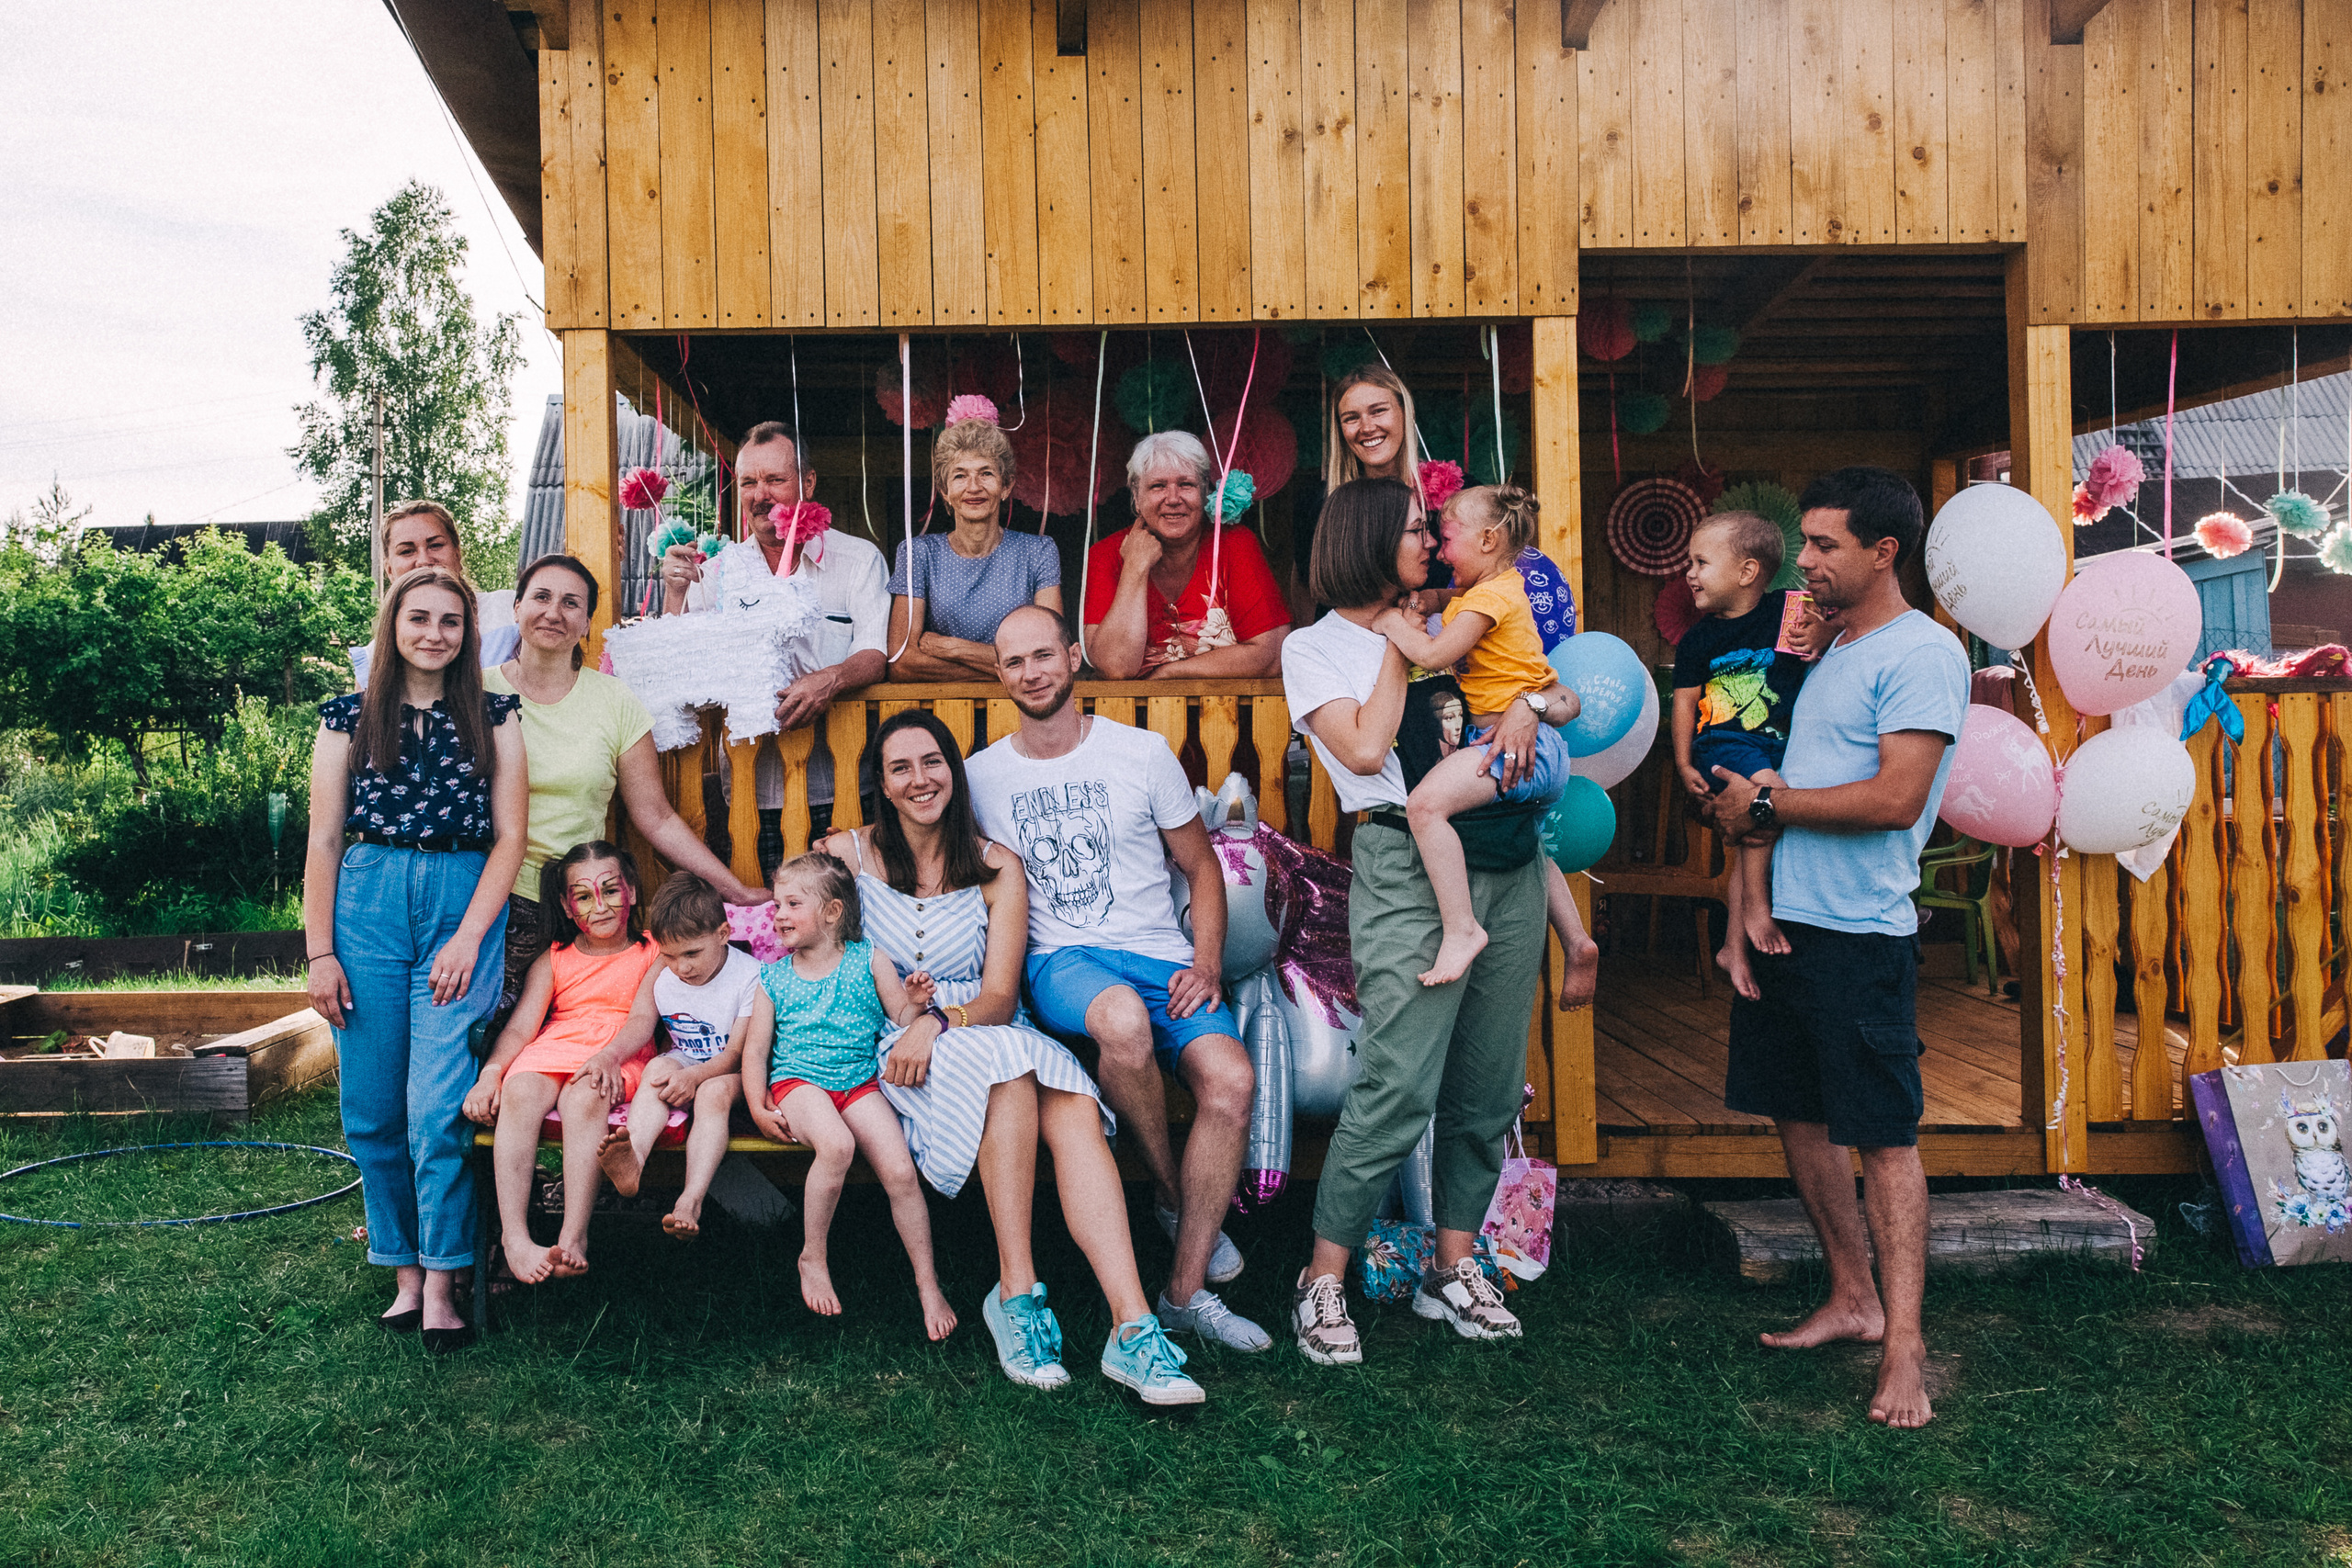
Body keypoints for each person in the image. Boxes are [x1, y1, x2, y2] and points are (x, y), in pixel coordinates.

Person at [820, 710, 1199, 1403]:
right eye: (900, 767)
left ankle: (1133, 1326)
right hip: (903, 1046)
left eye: (932, 762)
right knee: (1012, 1077)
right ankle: (1017, 1293)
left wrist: (942, 1018)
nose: (919, 779)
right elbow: (809, 945)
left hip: (977, 1024)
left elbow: (998, 994)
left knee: (1076, 1108)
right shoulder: (849, 857)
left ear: (953, 771)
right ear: (880, 781)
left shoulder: (995, 864)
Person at [1702, 466, 1969, 1431]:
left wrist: (1765, 803)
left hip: (1860, 936)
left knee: (1882, 1139)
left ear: (1882, 553)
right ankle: (1851, 1298)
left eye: (1822, 546)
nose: (1802, 560)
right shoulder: (1829, 644)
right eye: (1804, 543)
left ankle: (1904, 1346)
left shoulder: (1922, 653)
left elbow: (1896, 798)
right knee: (1797, 1116)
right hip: (1787, 928)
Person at [1279, 479, 1568, 1365]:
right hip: (1405, 859)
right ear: (1366, 543)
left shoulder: (1466, 615)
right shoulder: (1315, 646)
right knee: (1399, 1080)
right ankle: (1321, 1276)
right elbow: (1365, 749)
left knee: (1486, 1085)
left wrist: (1529, 703)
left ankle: (1454, 1262)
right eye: (1413, 530)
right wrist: (1399, 645)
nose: (1430, 544)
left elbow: (1559, 692)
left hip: (1504, 859)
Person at [969, 604, 1272, 1359]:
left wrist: (1204, 963)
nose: (1031, 672)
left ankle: (1182, 1293)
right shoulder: (982, 776)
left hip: (1163, 955)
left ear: (1074, 656)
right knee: (1124, 1024)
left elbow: (1202, 869)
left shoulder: (1140, 753)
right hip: (1062, 960)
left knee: (1231, 1081)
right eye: (1014, 663)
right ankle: (1170, 1196)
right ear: (1000, 675)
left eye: (1044, 655)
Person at [304, 566, 526, 1352]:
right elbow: (325, 839)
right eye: (419, 618)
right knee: (371, 1106)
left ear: (469, 635)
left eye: (452, 622)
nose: (435, 633)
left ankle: (444, 1277)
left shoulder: (494, 714)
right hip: (366, 904)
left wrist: (469, 935)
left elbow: (510, 837)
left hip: (458, 901)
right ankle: (400, 1267)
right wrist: (320, 949)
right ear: (393, 625)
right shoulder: (347, 717)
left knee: (438, 1106)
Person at [484, 553, 767, 1012]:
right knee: (483, 1034)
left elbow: (655, 816)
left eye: (571, 603)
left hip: (579, 907)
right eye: (541, 597)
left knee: (567, 1037)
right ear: (516, 608)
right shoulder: (477, 691)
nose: (554, 611)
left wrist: (733, 889)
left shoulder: (614, 700)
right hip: (488, 898)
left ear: (587, 623)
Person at [1369, 484, 1591, 992]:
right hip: (1537, 748)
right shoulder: (1501, 587)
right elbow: (1458, 600)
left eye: (1447, 538)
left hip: (1511, 745)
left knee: (1425, 807)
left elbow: (1434, 655)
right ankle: (1576, 939)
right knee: (1535, 843)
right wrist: (1433, 597)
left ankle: (1462, 929)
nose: (1441, 552)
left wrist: (1391, 624)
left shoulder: (1489, 598)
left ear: (1489, 540)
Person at [741, 852, 957, 1341]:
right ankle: (812, 1255)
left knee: (901, 1172)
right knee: (837, 1146)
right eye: (777, 905)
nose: (778, 915)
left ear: (833, 912)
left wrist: (919, 1003)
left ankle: (928, 1284)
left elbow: (901, 1019)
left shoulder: (868, 959)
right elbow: (755, 1052)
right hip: (798, 1082)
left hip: (858, 1082)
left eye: (792, 904)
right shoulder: (773, 978)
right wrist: (757, 1105)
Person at [659, 421, 888, 862]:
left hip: (844, 784)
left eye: (775, 480)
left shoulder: (858, 560)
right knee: (768, 922)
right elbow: (678, 665)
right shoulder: (717, 570)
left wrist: (832, 679)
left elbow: (876, 653)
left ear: (808, 482)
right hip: (752, 789)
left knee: (847, 920)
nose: (760, 493)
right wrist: (675, 593)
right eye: (748, 482)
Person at [463, 841, 661, 1285]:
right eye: (585, 896)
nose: (601, 905)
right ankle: (515, 1239)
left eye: (611, 890)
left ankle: (573, 1237)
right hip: (554, 1047)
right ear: (567, 907)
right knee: (519, 1091)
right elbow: (520, 1029)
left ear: (630, 890)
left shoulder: (653, 952)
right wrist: (493, 1073)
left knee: (585, 1096)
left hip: (616, 1053)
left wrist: (609, 1056)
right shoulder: (554, 959)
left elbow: (644, 1020)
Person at [1672, 511, 1822, 1001]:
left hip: (1776, 743)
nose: (1689, 573)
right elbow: (1686, 703)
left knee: (1750, 836)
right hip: (1724, 743)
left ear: (1747, 572)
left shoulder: (1788, 610)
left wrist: (1818, 638)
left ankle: (1732, 947)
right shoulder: (1699, 638)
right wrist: (1684, 763)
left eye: (1700, 562)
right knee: (1767, 803)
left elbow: (1833, 628)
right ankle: (1759, 910)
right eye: (1688, 562)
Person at [594, 873, 762, 1239]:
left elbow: (736, 1054)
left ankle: (690, 1200)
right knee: (657, 1069)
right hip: (689, 1060)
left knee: (712, 1093)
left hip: (741, 1072)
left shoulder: (750, 977)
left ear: (722, 934)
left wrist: (694, 1078)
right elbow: (641, 1021)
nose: (682, 967)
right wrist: (610, 1055)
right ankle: (633, 1159)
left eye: (692, 954)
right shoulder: (663, 971)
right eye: (669, 955)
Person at [1082, 430, 1290, 680]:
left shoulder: (1234, 543)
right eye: (1158, 486)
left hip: (1229, 714)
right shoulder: (1106, 555)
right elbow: (1115, 667)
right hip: (1131, 718)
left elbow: (1271, 654)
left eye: (1186, 485)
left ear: (1205, 491)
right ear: (1136, 497)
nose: (1173, 499)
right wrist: (1135, 566)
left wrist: (1172, 673)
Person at [885, 412, 1063, 679]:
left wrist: (954, 648)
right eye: (960, 476)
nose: (974, 487)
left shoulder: (1038, 552)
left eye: (986, 473)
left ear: (1006, 486)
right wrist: (1008, 670)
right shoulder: (918, 554)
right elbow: (901, 662)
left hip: (1021, 709)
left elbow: (1048, 656)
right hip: (941, 711)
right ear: (944, 491)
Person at [347, 500, 519, 685]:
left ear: (457, 554)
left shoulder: (509, 611)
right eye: (407, 551)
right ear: (389, 570)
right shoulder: (374, 658)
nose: (423, 560)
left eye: (435, 545)